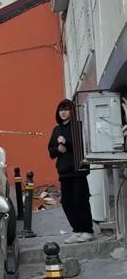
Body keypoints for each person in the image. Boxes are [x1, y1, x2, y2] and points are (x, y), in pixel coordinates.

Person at [48, 99, 95, 244]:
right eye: (61, 109)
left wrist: (66, 143)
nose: (63, 112)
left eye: (66, 109)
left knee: (80, 200)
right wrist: (58, 149)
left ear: (72, 111)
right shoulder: (57, 130)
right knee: (67, 202)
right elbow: (51, 151)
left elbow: (83, 145)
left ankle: (87, 230)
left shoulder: (78, 126)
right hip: (64, 171)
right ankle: (77, 230)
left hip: (78, 169)